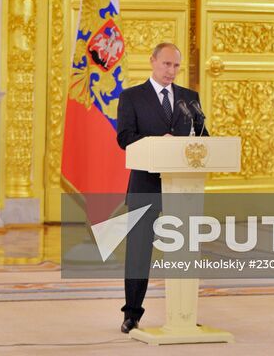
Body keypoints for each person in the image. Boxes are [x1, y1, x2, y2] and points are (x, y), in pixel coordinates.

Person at [116, 42, 206, 333]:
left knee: (184, 250)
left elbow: (203, 135)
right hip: (146, 184)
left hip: (183, 189)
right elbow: (125, 137)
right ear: (152, 61)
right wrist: (159, 142)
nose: (171, 71)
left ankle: (184, 314)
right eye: (166, 64)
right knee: (139, 252)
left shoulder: (189, 98)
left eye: (176, 66)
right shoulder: (132, 97)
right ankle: (132, 314)